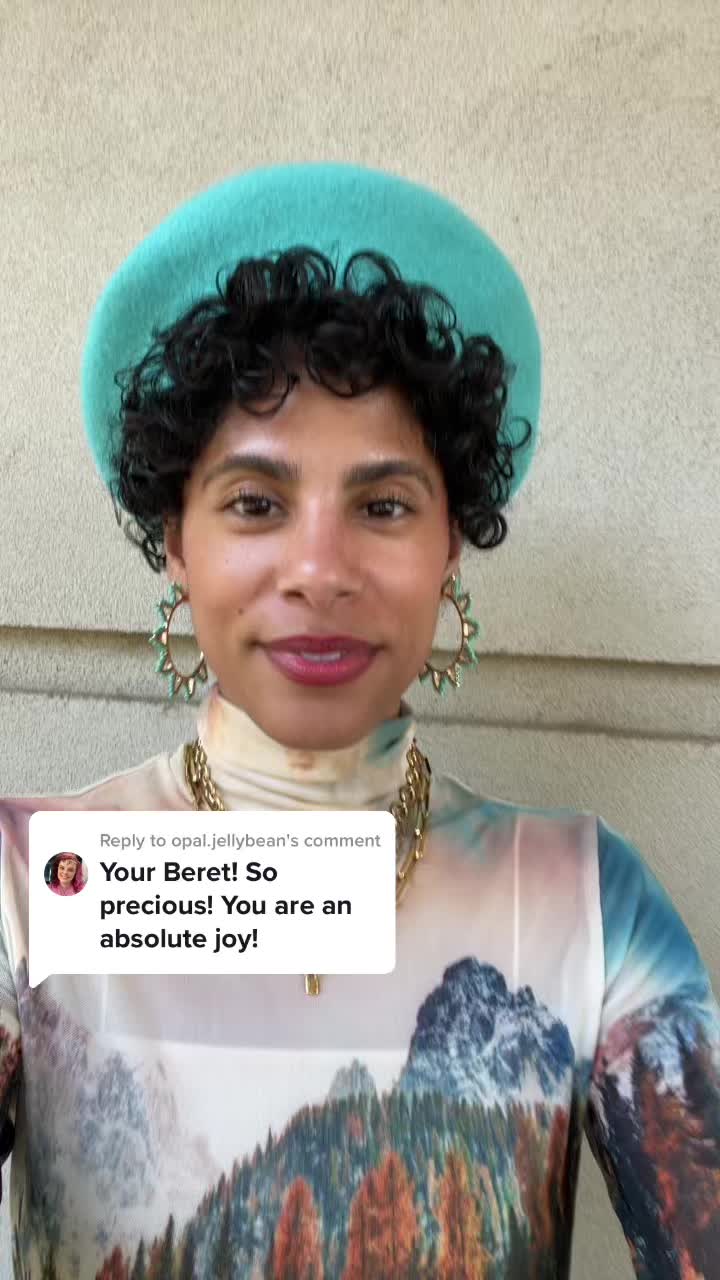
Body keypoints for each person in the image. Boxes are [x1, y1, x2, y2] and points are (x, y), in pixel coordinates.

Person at [0, 164, 717, 1280]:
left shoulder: (585, 902)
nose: (321, 570)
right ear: (176, 543)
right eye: (255, 503)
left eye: (383, 505)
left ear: (450, 546)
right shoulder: (32, 883)